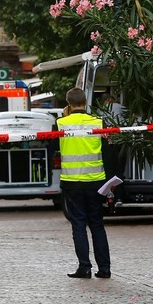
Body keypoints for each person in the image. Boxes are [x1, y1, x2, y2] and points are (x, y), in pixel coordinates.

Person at [56, 88, 111, 280]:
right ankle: (104, 269)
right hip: (96, 181)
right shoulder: (97, 122)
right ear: (86, 102)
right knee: (97, 224)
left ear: (68, 104)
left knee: (78, 225)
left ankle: (84, 267)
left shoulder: (61, 122)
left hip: (72, 181)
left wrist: (66, 116)